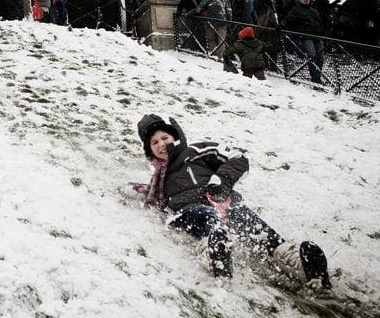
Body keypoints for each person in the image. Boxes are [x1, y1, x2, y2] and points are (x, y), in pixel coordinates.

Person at [131, 114, 331, 287]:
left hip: (222, 200)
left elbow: (237, 157)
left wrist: (221, 182)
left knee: (244, 216)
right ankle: (214, 251)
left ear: (175, 136)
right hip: (189, 212)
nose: (161, 145)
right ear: (149, 150)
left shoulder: (197, 150)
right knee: (206, 217)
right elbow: (150, 196)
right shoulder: (159, 178)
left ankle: (294, 260)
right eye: (154, 143)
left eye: (164, 137)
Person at [283, 0, 326, 84]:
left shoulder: (314, 9)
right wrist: (282, 25)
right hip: (306, 36)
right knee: (312, 56)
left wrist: (323, 32)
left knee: (321, 58)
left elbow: (320, 22)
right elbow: (288, 19)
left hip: (317, 36)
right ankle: (315, 78)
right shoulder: (296, 9)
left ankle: (317, 77)